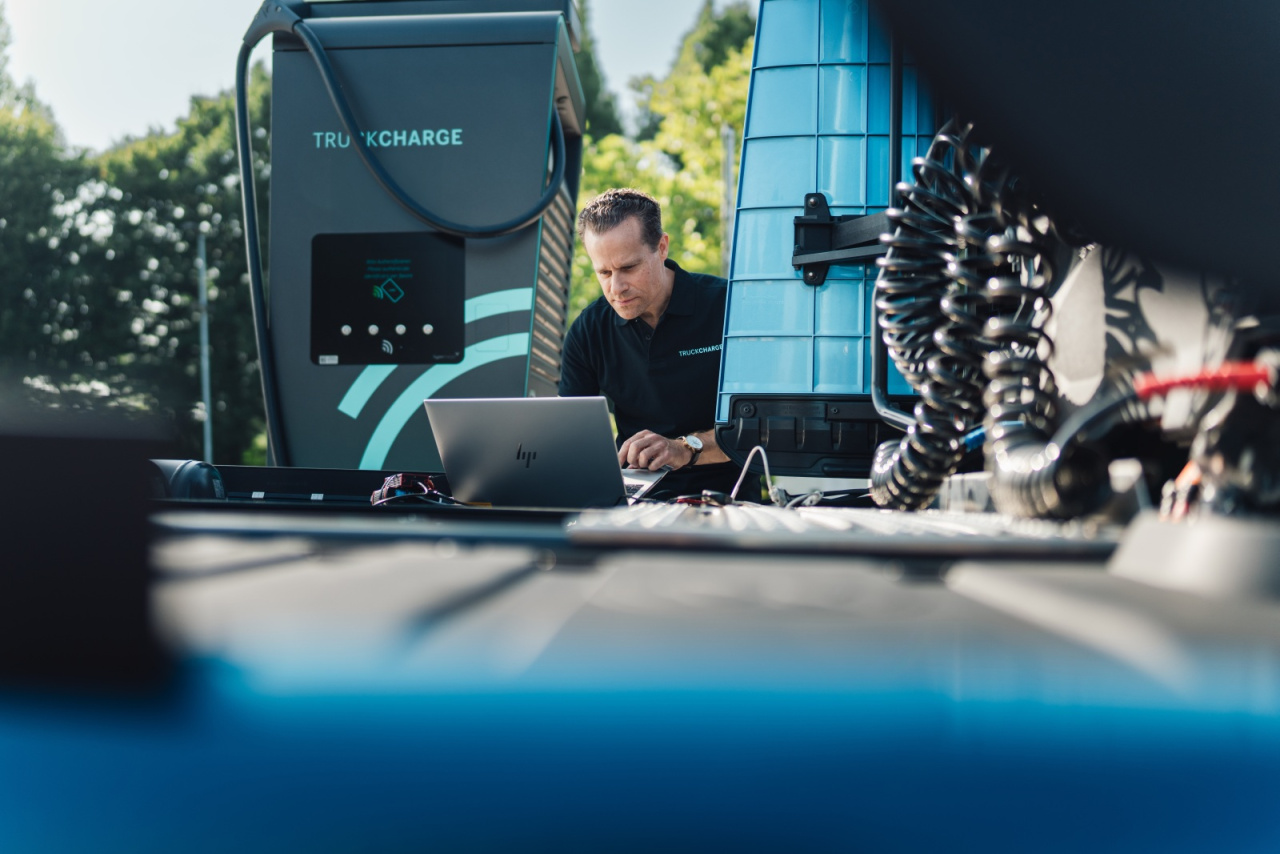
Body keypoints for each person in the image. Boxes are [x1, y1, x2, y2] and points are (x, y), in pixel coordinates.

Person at [559, 188, 757, 501]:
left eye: (628, 268)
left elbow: (762, 428)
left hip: (729, 501)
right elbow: (570, 441)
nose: (616, 288)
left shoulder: (730, 309)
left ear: (662, 247)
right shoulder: (589, 330)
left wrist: (683, 448)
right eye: (604, 272)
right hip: (634, 503)